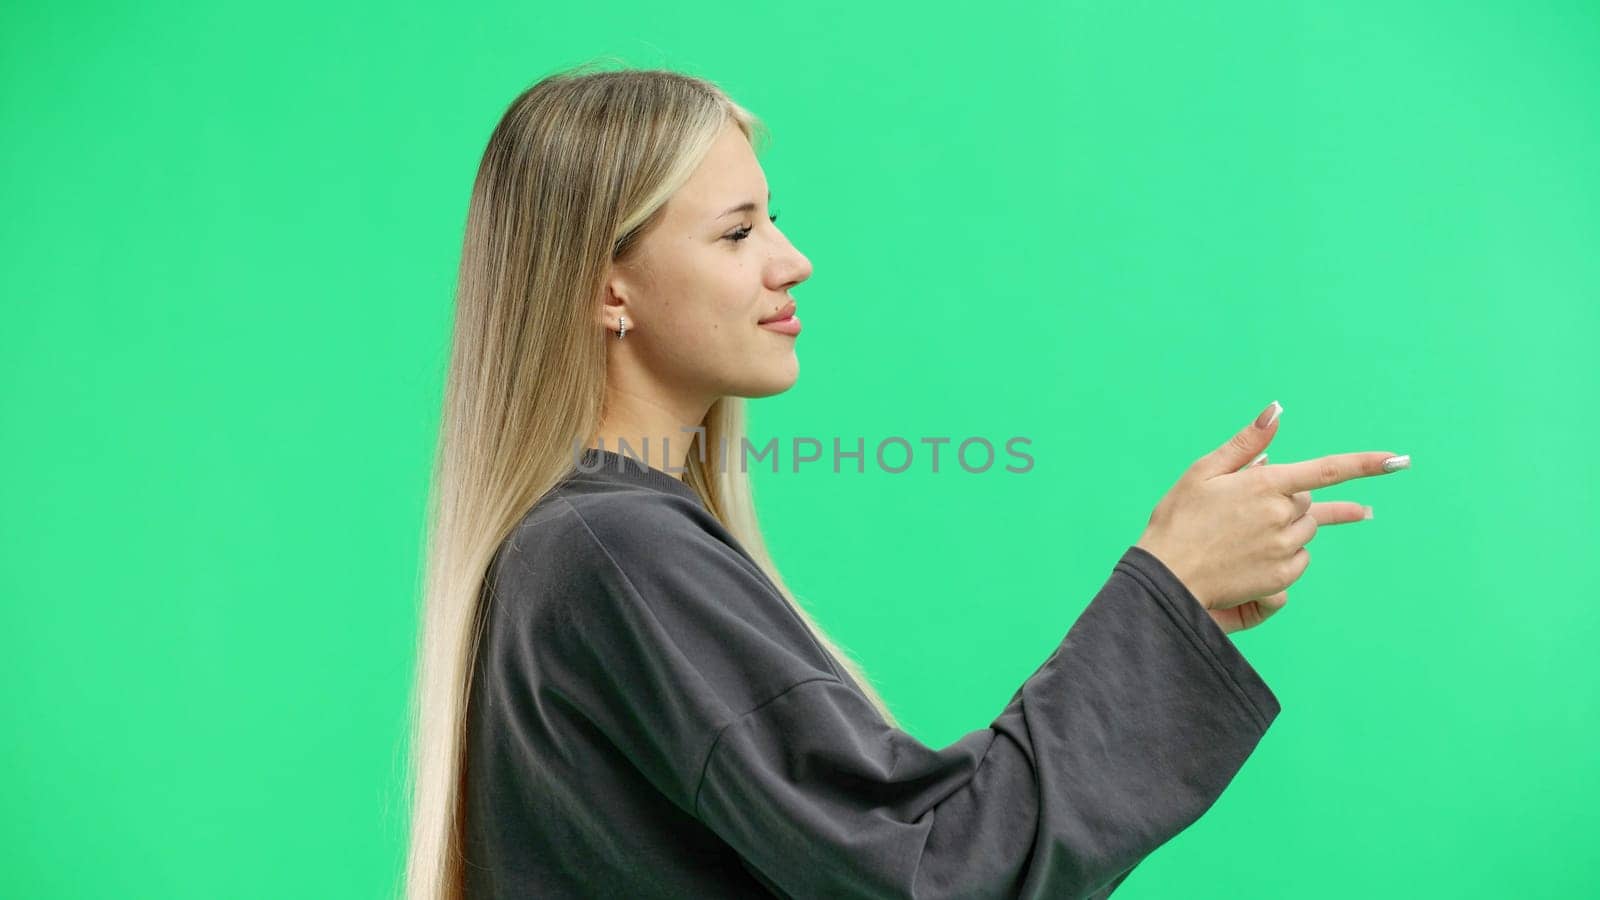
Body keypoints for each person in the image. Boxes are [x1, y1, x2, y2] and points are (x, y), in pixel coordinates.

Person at [403, 63, 1411, 899]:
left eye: (774, 221)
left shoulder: (578, 549)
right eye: (737, 231)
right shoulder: (619, 552)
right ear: (605, 288)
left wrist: (1177, 623)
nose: (793, 262)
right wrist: (1167, 595)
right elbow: (937, 873)